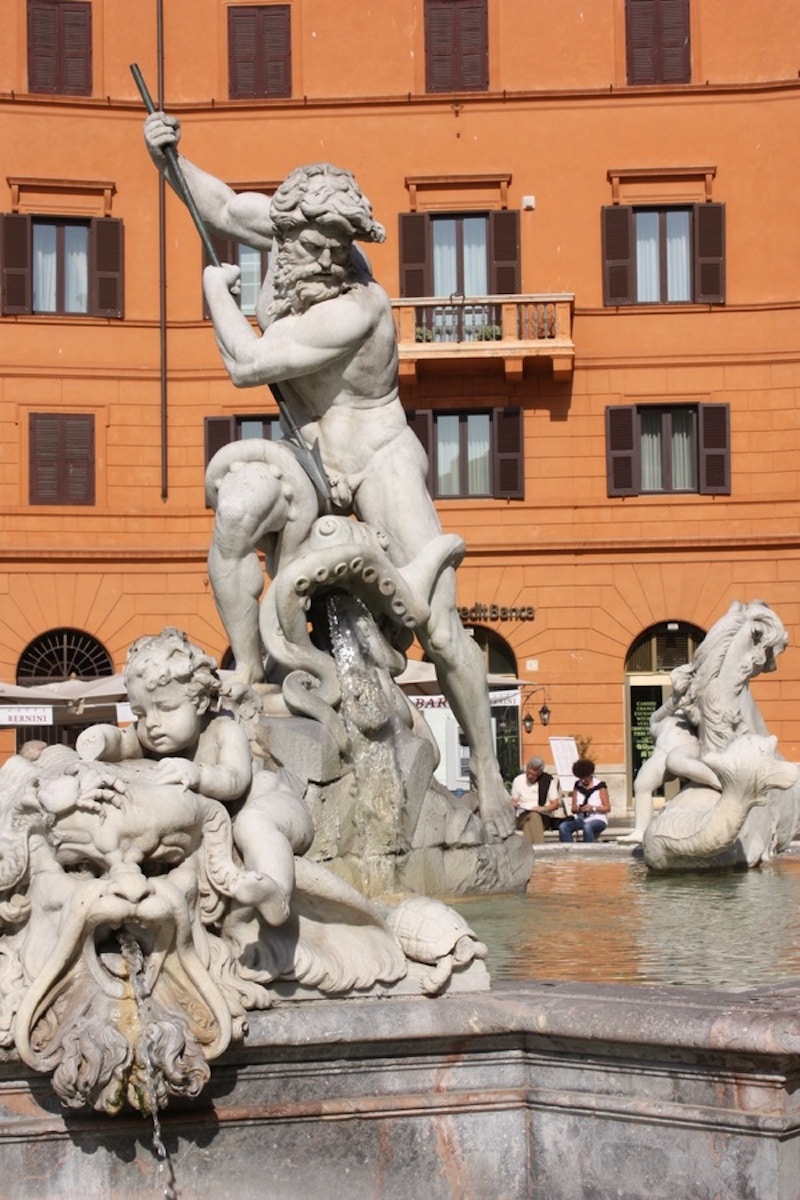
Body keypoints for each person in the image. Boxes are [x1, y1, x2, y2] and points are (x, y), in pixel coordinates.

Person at [142, 112, 514, 840]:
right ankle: (248, 668)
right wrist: (169, 158)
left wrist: (215, 290)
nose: (325, 258)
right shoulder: (285, 239)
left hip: (377, 457)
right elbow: (216, 207)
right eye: (313, 243)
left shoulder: (357, 304)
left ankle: (492, 777)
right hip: (309, 453)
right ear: (287, 229)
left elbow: (247, 366)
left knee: (440, 625)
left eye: (339, 247)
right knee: (238, 511)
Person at [76, 628, 313, 924]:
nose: (152, 724)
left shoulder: (224, 730)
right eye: (141, 712)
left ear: (199, 703)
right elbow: (123, 743)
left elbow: (235, 780)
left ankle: (276, 895)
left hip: (277, 807)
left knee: (252, 825)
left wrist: (198, 774)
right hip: (223, 824)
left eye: (166, 708)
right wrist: (100, 738)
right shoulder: (151, 737)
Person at [559, 758, 611, 844]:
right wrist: (579, 809)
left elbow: (607, 808)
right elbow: (573, 809)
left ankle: (588, 852)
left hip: (597, 819)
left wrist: (593, 808)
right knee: (563, 826)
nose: (583, 781)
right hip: (581, 819)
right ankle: (569, 851)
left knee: (587, 827)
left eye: (585, 778)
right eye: (581, 778)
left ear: (590, 774)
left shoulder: (600, 786)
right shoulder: (577, 786)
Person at [510, 757, 561, 844]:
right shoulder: (518, 780)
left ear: (539, 774)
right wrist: (515, 805)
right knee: (534, 816)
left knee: (530, 822)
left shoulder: (547, 781)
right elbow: (513, 801)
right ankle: (540, 849)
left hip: (543, 817)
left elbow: (556, 804)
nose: (530, 776)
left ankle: (527, 853)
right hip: (522, 816)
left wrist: (542, 809)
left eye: (533, 775)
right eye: (528, 773)